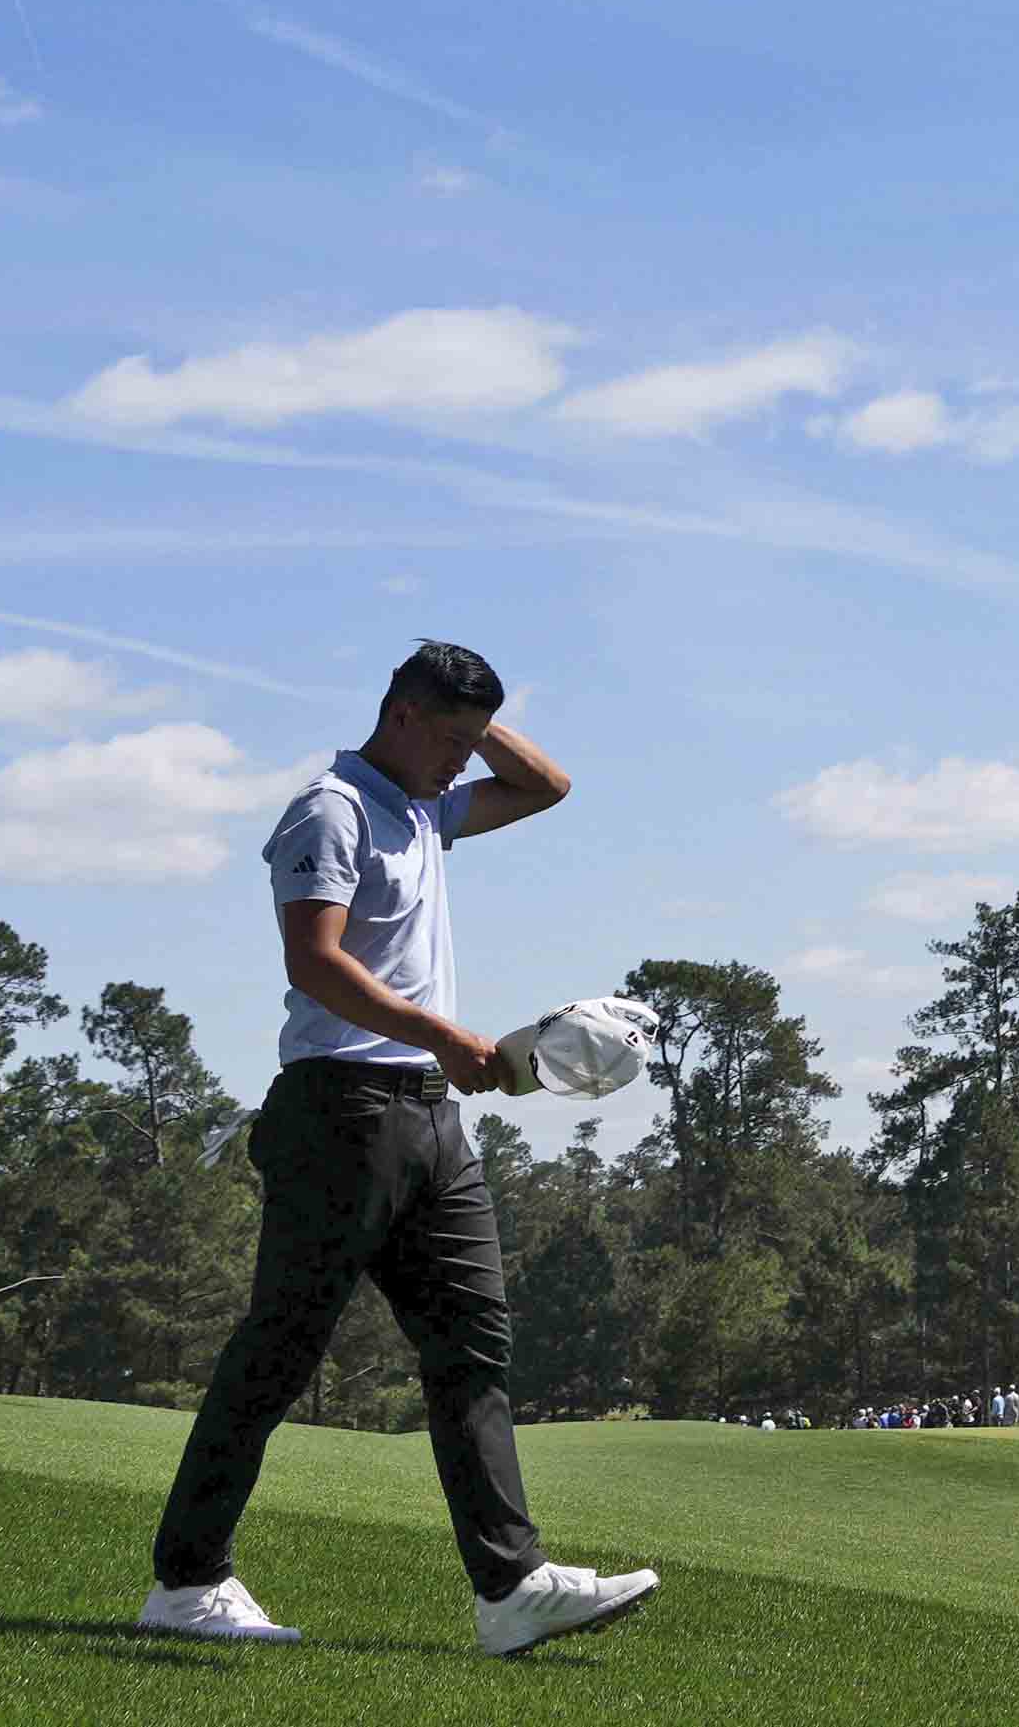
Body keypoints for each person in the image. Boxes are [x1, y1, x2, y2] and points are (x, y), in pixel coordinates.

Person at [141, 641, 657, 1659]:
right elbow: (314, 959)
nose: (466, 763)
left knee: (473, 1345)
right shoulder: (331, 808)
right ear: (401, 713)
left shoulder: (426, 805)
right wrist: (441, 1033)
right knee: (278, 1352)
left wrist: (468, 716)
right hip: (340, 1110)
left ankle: (509, 1587)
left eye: (474, 743)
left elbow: (546, 784)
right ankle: (186, 1579)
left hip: (429, 1116)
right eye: (451, 739)